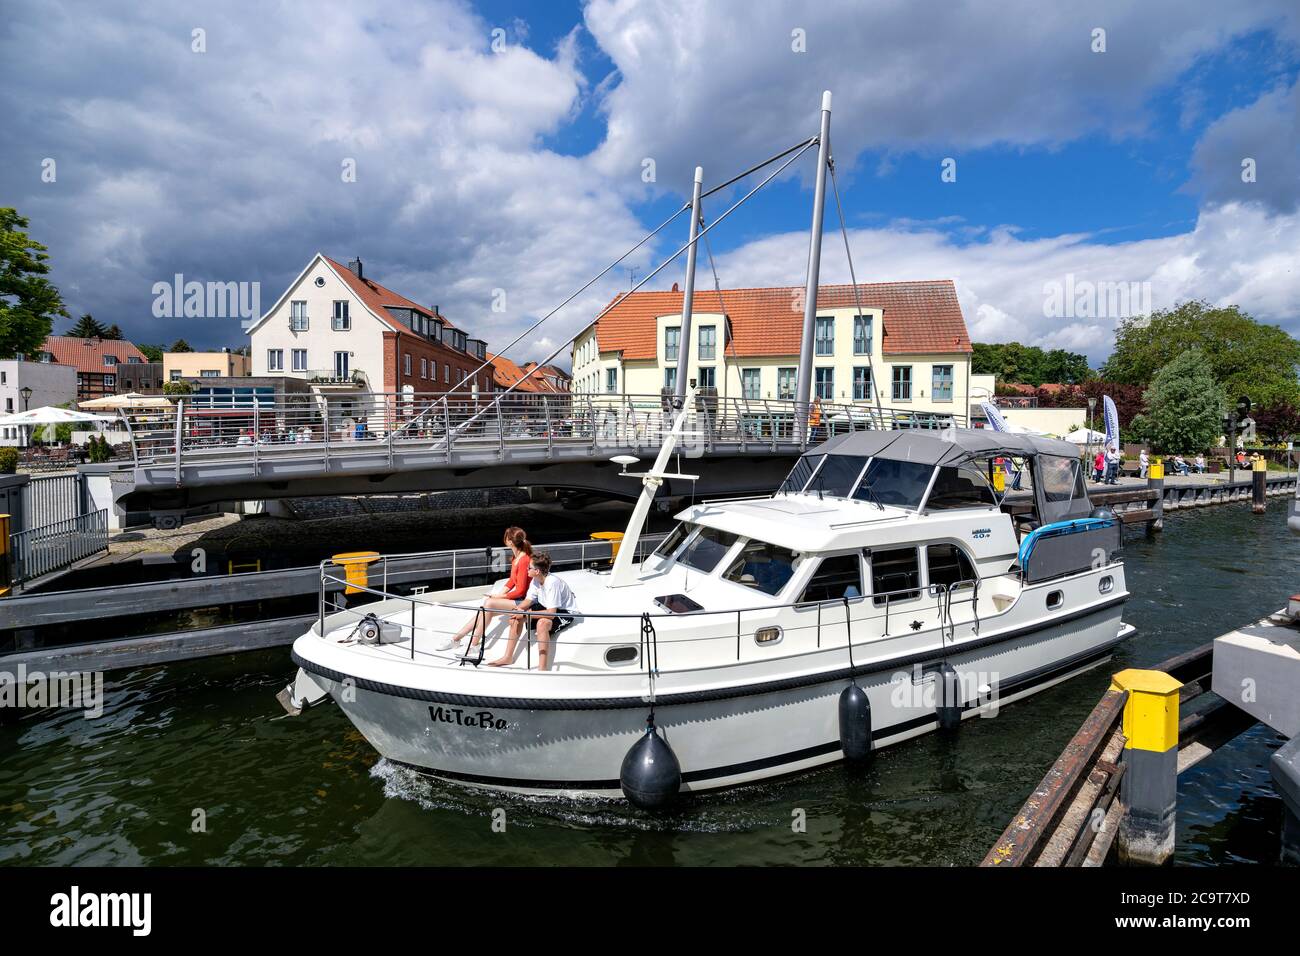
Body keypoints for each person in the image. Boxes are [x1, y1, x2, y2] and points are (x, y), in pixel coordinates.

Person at [439, 527, 532, 653]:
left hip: (524, 602)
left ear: (509, 541)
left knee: (488, 604)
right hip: (517, 599)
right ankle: (456, 638)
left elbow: (521, 591)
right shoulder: (516, 558)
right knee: (483, 611)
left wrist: (498, 598)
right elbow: (511, 581)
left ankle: (474, 644)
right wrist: (499, 595)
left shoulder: (523, 560)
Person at [492, 551, 577, 670]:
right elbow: (528, 600)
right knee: (516, 618)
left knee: (542, 624)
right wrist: (519, 610)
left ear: (537, 571)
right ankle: (508, 657)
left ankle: (542, 669)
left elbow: (552, 614)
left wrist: (526, 615)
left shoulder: (552, 583)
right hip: (547, 606)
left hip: (563, 612)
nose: (527, 569)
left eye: (529, 568)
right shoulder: (536, 580)